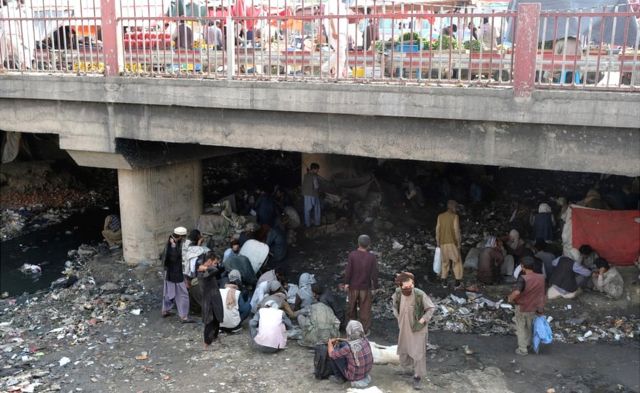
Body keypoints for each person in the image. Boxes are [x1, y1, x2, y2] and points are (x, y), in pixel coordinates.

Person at [392, 272, 435, 391]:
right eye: (405, 287)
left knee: (418, 352)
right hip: (404, 327)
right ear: (400, 286)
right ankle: (408, 369)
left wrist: (423, 320)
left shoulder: (420, 294)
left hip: (418, 329)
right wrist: (398, 317)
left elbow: (431, 308)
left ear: (413, 283)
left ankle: (417, 377)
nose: (408, 288)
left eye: (410, 286)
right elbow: (394, 305)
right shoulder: (398, 293)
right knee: (405, 349)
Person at [507, 257, 546, 356]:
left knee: (521, 328)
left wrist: (510, 298)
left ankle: (522, 349)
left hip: (522, 307)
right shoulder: (541, 277)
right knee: (530, 327)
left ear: (522, 267)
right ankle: (528, 344)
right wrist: (541, 307)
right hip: (534, 307)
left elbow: (517, 292)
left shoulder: (523, 278)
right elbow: (542, 294)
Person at [345, 234, 378, 335]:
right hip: (365, 288)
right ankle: (364, 331)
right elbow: (374, 273)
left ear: (358, 243)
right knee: (365, 310)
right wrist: (375, 287)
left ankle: (352, 329)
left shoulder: (352, 255)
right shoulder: (371, 257)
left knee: (351, 308)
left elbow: (348, 270)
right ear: (369, 245)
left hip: (353, 287)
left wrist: (346, 283)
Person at [327, 320, 373, 388]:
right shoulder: (365, 339)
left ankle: (339, 378)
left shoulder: (348, 348)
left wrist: (329, 343)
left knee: (335, 352)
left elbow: (331, 354)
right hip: (366, 372)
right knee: (342, 344)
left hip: (354, 376)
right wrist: (338, 339)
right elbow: (351, 340)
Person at [161, 227, 193, 323]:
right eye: (183, 237)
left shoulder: (171, 241)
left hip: (170, 273)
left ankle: (165, 310)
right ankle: (184, 316)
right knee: (183, 295)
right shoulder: (172, 245)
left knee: (168, 293)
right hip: (176, 274)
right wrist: (174, 247)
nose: (183, 239)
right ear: (179, 236)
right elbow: (173, 259)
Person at [197, 252, 224, 348]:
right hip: (209, 300)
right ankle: (206, 343)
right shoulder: (203, 272)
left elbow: (218, 270)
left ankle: (214, 338)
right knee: (209, 321)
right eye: (214, 262)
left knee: (217, 319)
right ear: (209, 261)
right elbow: (215, 270)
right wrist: (205, 268)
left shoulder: (207, 270)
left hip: (214, 298)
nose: (215, 265)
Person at [436, 200, 463, 289]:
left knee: (445, 263)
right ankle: (457, 283)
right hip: (452, 243)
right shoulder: (455, 217)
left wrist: (438, 243)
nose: (456, 209)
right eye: (456, 207)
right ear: (452, 207)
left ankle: (444, 282)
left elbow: (437, 230)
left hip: (443, 243)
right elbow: (456, 231)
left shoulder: (440, 216)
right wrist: (459, 243)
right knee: (457, 262)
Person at [324, 0, 349, 77]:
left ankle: (335, 73)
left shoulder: (341, 4)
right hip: (336, 31)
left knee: (339, 53)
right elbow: (330, 16)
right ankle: (335, 73)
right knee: (341, 54)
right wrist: (334, 31)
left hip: (341, 31)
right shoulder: (333, 2)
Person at [302, 163, 321, 227]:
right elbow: (316, 186)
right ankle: (317, 223)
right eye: (317, 170)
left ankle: (307, 224)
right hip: (313, 194)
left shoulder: (305, 175)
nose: (318, 171)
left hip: (306, 194)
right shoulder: (314, 176)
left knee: (307, 210)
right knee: (317, 208)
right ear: (314, 169)